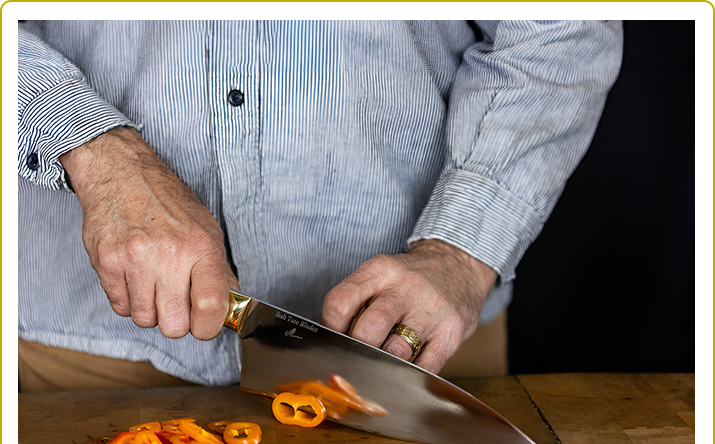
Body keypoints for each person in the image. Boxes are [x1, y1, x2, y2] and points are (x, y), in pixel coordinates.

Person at [17, 20, 623, 391]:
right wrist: (91, 148)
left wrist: (462, 250)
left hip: (418, 336)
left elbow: (562, 30)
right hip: (86, 344)